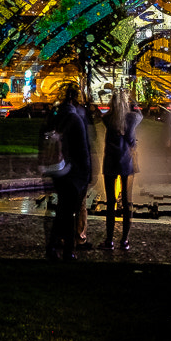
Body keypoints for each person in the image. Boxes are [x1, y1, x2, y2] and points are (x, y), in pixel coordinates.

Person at [48, 82, 92, 261]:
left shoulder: (57, 115)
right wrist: (87, 174)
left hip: (60, 169)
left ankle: (56, 246)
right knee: (69, 212)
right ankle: (67, 250)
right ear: (75, 99)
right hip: (74, 173)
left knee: (63, 211)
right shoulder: (75, 118)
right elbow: (83, 150)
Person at [101, 87, 140, 252]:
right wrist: (132, 99)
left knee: (111, 202)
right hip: (126, 163)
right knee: (126, 201)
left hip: (110, 162)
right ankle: (124, 239)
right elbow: (139, 117)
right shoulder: (131, 119)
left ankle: (109, 240)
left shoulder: (108, 118)